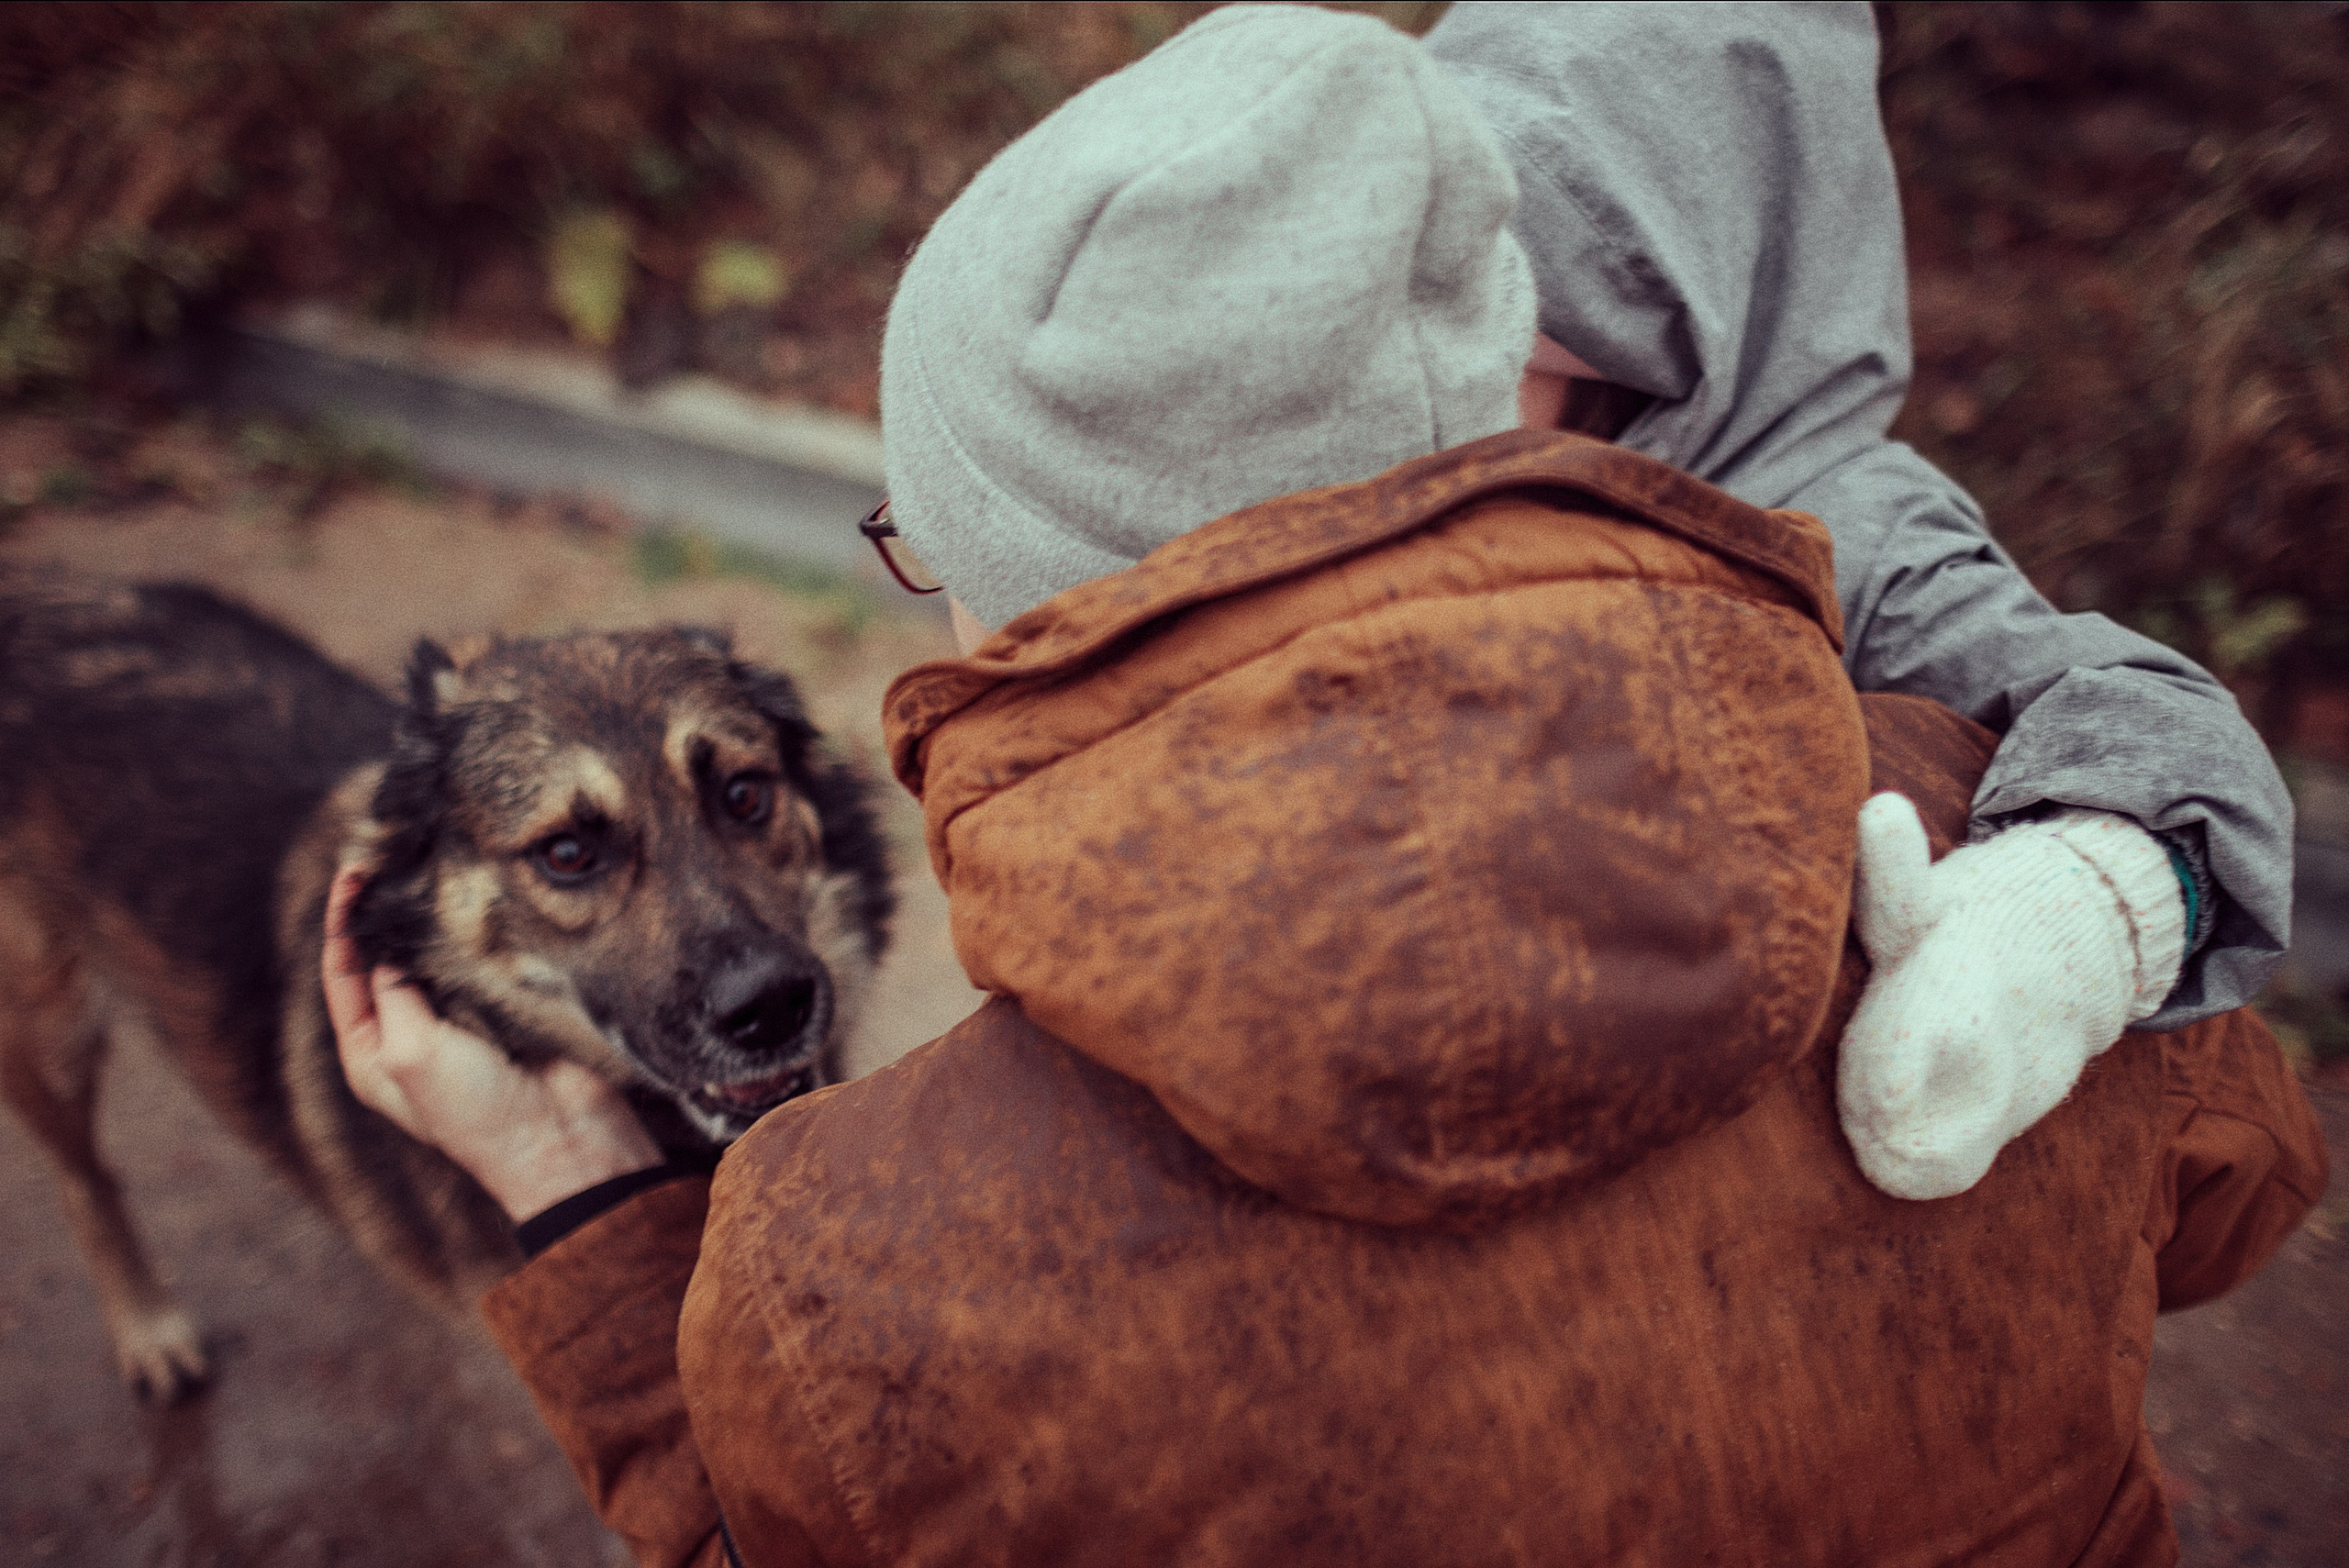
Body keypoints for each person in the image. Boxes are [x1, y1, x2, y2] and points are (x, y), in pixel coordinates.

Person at [325, 8, 2324, 1565]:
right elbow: (2234, 1192)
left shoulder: (845, 1257)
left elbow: (769, 1537)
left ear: (1056, 589)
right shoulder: (1970, 848)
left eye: (925, 546)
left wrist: (573, 1202)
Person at [1420, 2, 2298, 1201]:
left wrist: (2071, 914)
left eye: (1509, 309)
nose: (1437, 361)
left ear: (1680, 291)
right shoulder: (1359, 401)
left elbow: (2162, 730)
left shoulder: (1837, 517)